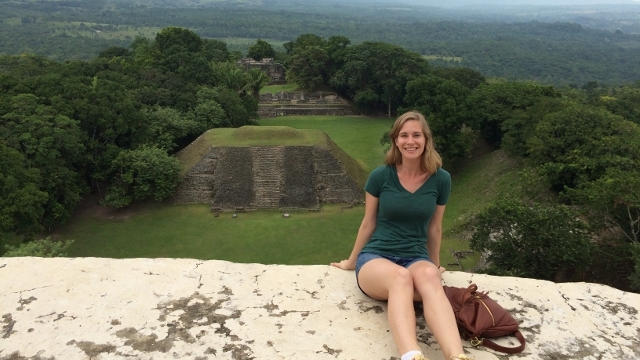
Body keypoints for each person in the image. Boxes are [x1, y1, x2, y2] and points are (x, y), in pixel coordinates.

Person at [331, 111, 472, 360]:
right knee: (400, 277)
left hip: (416, 256)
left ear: (426, 139)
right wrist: (351, 262)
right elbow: (368, 223)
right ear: (395, 140)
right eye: (404, 135)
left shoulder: (441, 180)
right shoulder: (380, 176)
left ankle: (457, 355)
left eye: (416, 135)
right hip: (376, 257)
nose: (410, 141)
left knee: (429, 276)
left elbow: (434, 228)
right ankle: (411, 354)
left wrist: (435, 264)